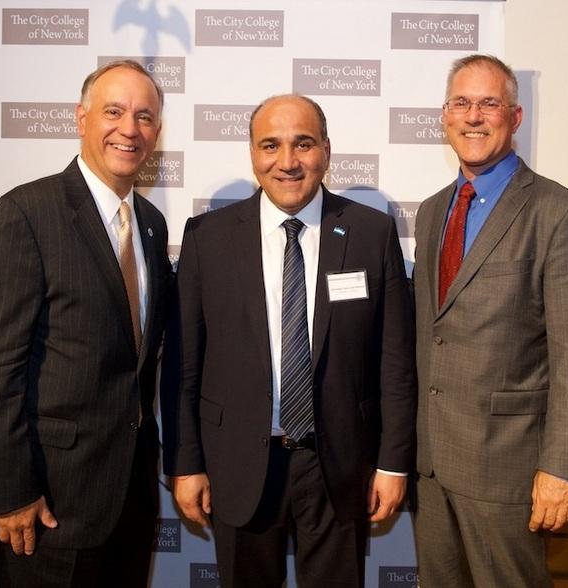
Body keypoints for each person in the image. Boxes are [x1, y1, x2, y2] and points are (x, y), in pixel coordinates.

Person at [161, 94, 416, 587]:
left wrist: (393, 463)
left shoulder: (370, 231)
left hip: (341, 464)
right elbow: (184, 366)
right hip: (237, 462)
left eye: (303, 144)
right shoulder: (208, 237)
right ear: (252, 153)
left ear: (326, 149)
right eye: (270, 145)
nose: (287, 162)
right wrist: (185, 463)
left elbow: (395, 362)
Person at [0, 59, 171, 587]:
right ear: (80, 119)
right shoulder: (25, 213)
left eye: (145, 116)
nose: (129, 129)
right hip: (43, 506)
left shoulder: (151, 226)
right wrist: (8, 490)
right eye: (114, 111)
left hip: (128, 503)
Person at [413, 54, 568, 587]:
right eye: (462, 103)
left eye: (490, 103)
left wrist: (561, 468)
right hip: (433, 465)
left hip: (509, 471)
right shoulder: (434, 209)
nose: (474, 116)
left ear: (515, 116)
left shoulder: (558, 212)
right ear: (445, 116)